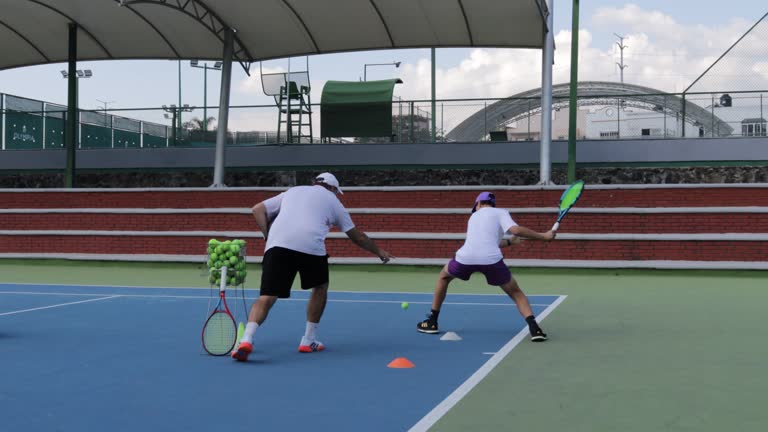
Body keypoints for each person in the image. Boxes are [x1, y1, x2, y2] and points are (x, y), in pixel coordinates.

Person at [232, 172, 394, 362]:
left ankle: (246, 339)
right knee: (320, 287)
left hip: (277, 246)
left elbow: (257, 209)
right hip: (310, 247)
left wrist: (268, 236)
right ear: (333, 189)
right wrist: (379, 251)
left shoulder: (292, 191)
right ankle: (308, 340)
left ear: (315, 183)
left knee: (267, 296)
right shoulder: (334, 201)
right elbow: (357, 236)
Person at [417, 191, 555, 342]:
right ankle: (535, 329)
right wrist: (544, 236)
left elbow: (486, 243)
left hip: (465, 258)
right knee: (515, 292)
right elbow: (514, 231)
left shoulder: (473, 216)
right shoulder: (500, 212)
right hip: (491, 261)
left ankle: (432, 322)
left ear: (478, 204)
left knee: (444, 277)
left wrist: (510, 242)